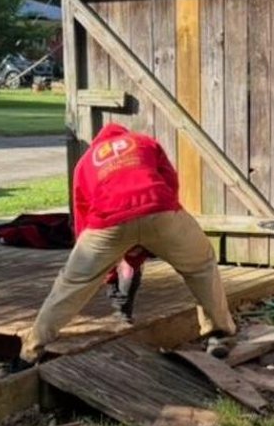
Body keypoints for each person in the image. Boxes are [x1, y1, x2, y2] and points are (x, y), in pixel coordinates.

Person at [13, 123, 236, 370]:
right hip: (159, 208)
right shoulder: (144, 142)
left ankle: (30, 352)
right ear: (124, 134)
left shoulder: (86, 162)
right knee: (201, 265)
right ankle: (218, 335)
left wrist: (104, 269)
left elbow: (82, 216)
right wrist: (161, 226)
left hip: (108, 221)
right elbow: (170, 183)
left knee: (71, 283)